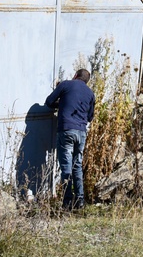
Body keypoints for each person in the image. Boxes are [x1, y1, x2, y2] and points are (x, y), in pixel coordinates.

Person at [45, 68, 95, 210]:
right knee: (77, 165)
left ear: (75, 75)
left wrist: (61, 104)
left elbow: (49, 102)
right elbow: (90, 116)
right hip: (81, 132)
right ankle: (80, 200)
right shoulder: (90, 93)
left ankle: (67, 202)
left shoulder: (66, 84)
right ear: (86, 81)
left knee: (66, 166)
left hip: (66, 130)